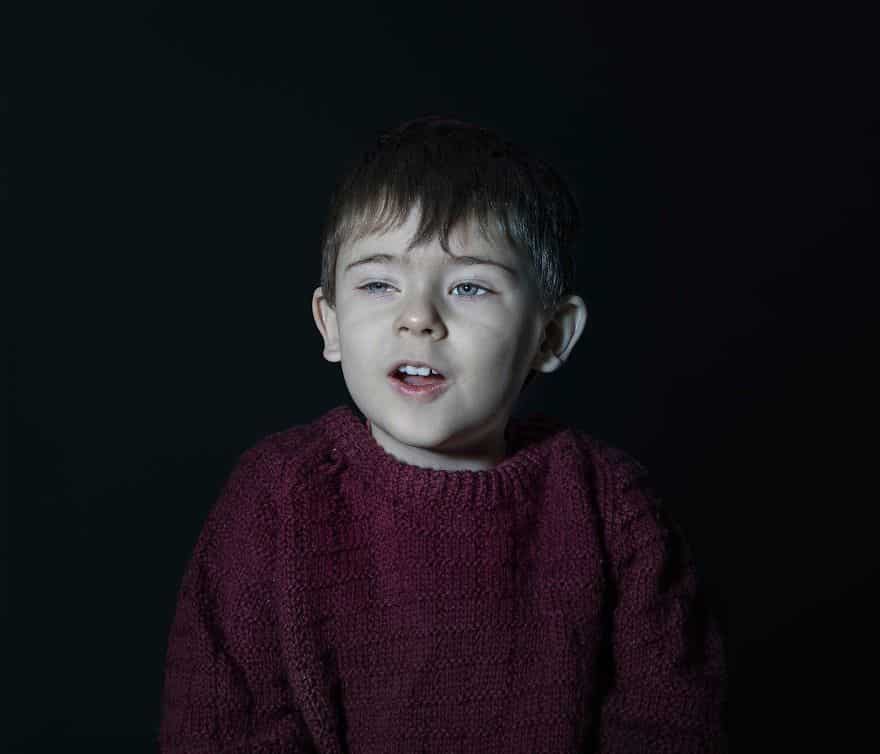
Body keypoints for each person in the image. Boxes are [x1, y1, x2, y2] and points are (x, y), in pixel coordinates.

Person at [157, 116, 728, 753]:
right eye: (378, 283)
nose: (418, 318)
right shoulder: (275, 498)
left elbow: (671, 722)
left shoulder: (610, 506)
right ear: (331, 323)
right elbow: (219, 725)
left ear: (551, 335)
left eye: (469, 286)